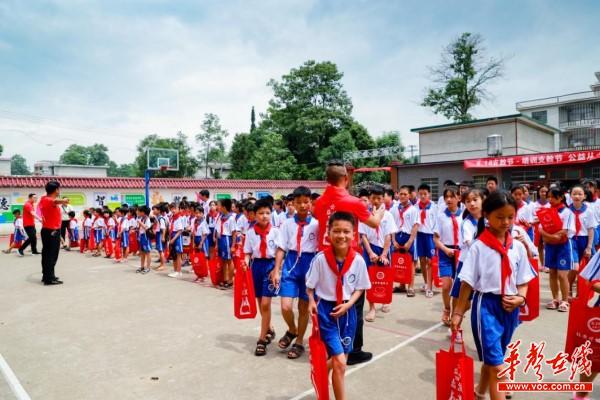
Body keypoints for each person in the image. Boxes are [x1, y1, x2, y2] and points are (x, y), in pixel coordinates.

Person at [451, 191, 536, 400]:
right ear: (486, 216)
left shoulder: (517, 247)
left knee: (494, 357)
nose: (506, 222)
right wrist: (458, 313)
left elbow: (523, 279)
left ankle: (480, 391)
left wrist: (521, 298)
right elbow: (466, 284)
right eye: (499, 217)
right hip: (485, 307)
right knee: (498, 367)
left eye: (510, 217)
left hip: (509, 307)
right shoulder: (478, 248)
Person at [312, 161, 384, 365]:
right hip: (349, 259)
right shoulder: (354, 202)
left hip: (325, 258)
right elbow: (374, 223)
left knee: (328, 303)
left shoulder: (319, 203)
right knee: (353, 305)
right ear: (345, 178)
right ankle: (352, 349)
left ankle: (331, 346)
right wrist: (380, 210)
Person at [306, 211, 371, 400]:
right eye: (336, 231)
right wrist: (311, 301)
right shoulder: (320, 259)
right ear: (328, 233)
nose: (341, 235)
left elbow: (360, 287)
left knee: (340, 361)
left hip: (348, 313)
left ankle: (319, 372)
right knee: (341, 362)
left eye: (346, 231)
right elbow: (309, 287)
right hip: (327, 312)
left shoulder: (358, 260)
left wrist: (349, 304)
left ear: (354, 235)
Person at [272, 186, 319, 359]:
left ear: (310, 202)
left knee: (303, 307)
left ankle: (299, 341)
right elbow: (281, 248)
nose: (303, 205)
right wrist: (276, 270)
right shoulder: (287, 223)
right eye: (298, 202)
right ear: (293, 203)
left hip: (309, 264)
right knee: (285, 306)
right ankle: (292, 329)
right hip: (291, 264)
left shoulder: (317, 224)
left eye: (306, 202)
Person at [243, 199, 281, 356]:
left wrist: (277, 270)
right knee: (260, 302)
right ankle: (269, 328)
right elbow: (248, 252)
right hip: (256, 267)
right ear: (254, 215)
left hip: (270, 267)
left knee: (266, 303)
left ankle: (262, 339)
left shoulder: (276, 232)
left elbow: (280, 251)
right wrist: (245, 263)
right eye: (261, 213)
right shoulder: (250, 233)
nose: (264, 216)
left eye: (267, 213)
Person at [359, 185, 397, 321]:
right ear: (369, 199)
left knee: (384, 276)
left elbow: (388, 236)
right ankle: (372, 308)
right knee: (369, 279)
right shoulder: (364, 215)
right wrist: (370, 253)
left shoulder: (388, 216)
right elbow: (363, 235)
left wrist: (384, 254)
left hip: (383, 249)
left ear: (383, 199)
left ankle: (385, 300)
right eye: (373, 198)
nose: (375, 201)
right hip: (370, 249)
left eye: (378, 198)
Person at [540, 188, 575, 312]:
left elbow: (564, 231)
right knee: (553, 273)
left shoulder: (567, 212)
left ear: (560, 197)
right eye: (548, 197)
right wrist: (550, 237)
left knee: (562, 274)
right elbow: (541, 229)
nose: (550, 199)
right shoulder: (546, 211)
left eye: (553, 197)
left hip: (563, 246)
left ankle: (565, 300)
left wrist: (550, 236)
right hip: (550, 246)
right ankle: (555, 299)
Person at [433, 187, 462, 326]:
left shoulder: (465, 215)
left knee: (457, 286)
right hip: (445, 252)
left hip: (461, 253)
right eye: (446, 197)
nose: (449, 199)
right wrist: (445, 249)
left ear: (459, 198)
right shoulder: (440, 216)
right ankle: (447, 308)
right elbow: (436, 239)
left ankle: (455, 312)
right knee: (446, 285)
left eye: (452, 196)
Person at [39, 180, 70, 285]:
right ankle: (49, 278)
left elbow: (54, 200)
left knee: (47, 254)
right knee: (51, 255)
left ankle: (48, 275)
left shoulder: (43, 199)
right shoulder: (48, 200)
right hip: (52, 231)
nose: (59, 190)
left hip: (48, 230)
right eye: (58, 188)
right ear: (56, 190)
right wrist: (64, 200)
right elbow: (56, 201)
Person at [391, 185, 419, 297]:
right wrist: (393, 240)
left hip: (408, 237)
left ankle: (411, 287)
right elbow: (391, 225)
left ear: (409, 195)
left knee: (410, 262)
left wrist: (410, 242)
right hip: (397, 236)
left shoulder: (413, 210)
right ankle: (401, 285)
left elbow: (415, 226)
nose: (402, 196)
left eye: (405, 194)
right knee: (399, 262)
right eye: (400, 194)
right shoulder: (394, 209)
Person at [569, 185, 596, 294]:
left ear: (584, 196)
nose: (577, 196)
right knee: (574, 268)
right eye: (574, 193)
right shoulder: (567, 210)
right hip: (571, 240)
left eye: (580, 194)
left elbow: (590, 230)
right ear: (570, 196)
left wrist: (589, 247)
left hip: (584, 240)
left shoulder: (588, 211)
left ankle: (581, 293)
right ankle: (569, 288)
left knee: (586, 269)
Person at [416, 183, 437, 298]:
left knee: (430, 262)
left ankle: (430, 286)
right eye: (421, 194)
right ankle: (425, 283)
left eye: (425, 194)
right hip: (420, 236)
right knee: (422, 260)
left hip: (430, 236)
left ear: (429, 194)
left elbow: (437, 223)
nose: (423, 196)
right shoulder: (415, 207)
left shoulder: (434, 207)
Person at [217, 199, 237, 289]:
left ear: (224, 207)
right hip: (221, 238)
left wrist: (233, 245)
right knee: (223, 260)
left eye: (219, 205)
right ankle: (225, 278)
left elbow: (234, 233)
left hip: (227, 239)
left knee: (229, 260)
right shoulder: (221, 217)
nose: (218, 207)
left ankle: (230, 280)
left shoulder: (231, 218)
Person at [168, 203, 184, 278]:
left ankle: (179, 271)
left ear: (178, 209)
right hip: (172, 236)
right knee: (174, 255)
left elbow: (180, 230)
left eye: (175, 208)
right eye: (172, 209)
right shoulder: (172, 218)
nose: (173, 210)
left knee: (178, 255)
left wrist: (173, 239)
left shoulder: (179, 218)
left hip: (177, 237)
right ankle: (175, 270)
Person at [136, 205, 152, 274]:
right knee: (142, 252)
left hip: (146, 237)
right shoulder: (142, 218)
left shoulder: (147, 219)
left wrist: (140, 223)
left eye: (139, 211)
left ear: (143, 212)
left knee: (147, 252)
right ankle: (142, 266)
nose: (137, 212)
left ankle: (148, 267)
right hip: (141, 236)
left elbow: (147, 227)